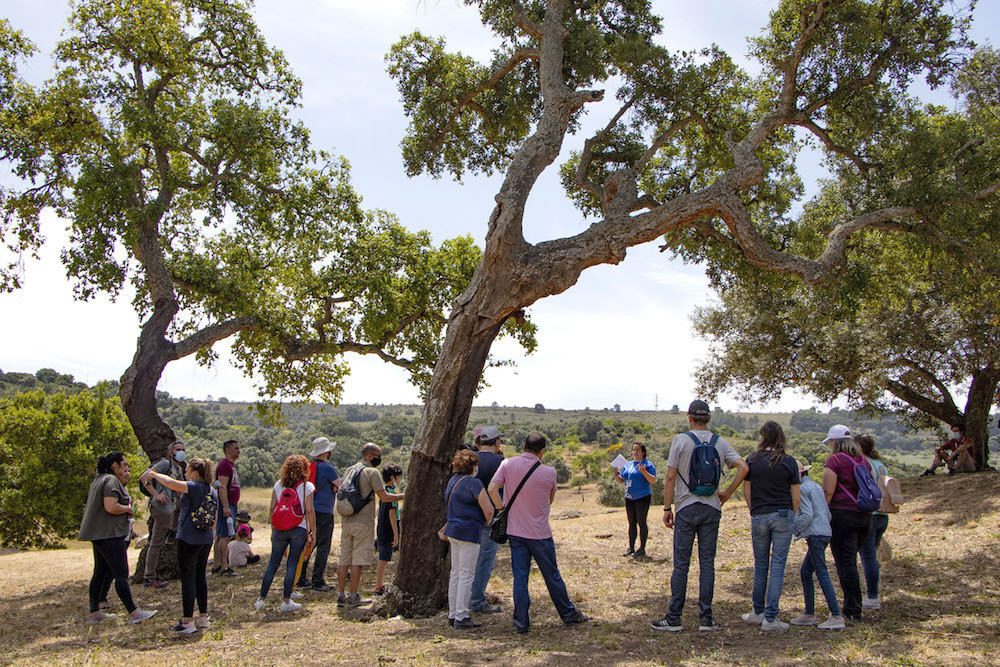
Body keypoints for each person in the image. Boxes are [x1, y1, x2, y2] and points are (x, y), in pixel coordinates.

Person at [651, 400, 748, 632]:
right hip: (712, 508)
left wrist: (667, 508)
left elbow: (670, 477)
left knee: (681, 565)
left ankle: (674, 618)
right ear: (709, 419)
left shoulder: (681, 441)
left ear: (689, 417)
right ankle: (706, 618)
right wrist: (726, 493)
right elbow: (743, 467)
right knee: (707, 564)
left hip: (686, 507)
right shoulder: (720, 442)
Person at [488, 432, 589, 635]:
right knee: (552, 576)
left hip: (516, 532)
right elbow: (549, 500)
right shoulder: (549, 472)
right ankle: (568, 615)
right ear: (542, 451)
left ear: (523, 446)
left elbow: (492, 488)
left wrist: (502, 509)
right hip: (540, 534)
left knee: (520, 578)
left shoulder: (507, 464)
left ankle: (521, 623)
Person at [78, 452, 157, 625]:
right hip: (109, 534)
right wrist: (128, 510)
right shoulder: (111, 481)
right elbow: (111, 507)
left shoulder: (98, 480)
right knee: (121, 573)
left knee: (100, 572)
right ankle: (134, 612)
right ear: (115, 465)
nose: (126, 467)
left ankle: (95, 612)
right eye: (124, 464)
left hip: (98, 534)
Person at [141, 457, 217, 633]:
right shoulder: (211, 490)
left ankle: (187, 621)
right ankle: (203, 617)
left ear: (195, 473)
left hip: (189, 538)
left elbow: (171, 483)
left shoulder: (194, 486)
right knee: (200, 577)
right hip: (205, 538)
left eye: (187, 470)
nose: (185, 473)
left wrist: (154, 474)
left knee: (188, 579)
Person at [740, 422, 800, 631]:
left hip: (759, 514)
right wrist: (792, 515)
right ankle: (771, 617)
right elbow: (796, 497)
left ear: (762, 436)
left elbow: (746, 490)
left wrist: (753, 509)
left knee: (761, 565)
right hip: (783, 514)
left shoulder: (752, 460)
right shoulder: (789, 462)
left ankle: (758, 611)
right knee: (778, 566)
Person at [336, 443, 405, 608]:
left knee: (344, 558)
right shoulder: (371, 472)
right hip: (363, 522)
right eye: (377, 456)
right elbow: (385, 497)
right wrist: (403, 495)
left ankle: (340, 595)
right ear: (370, 456)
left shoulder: (350, 470)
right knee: (358, 560)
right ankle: (353, 596)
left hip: (347, 520)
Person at [822, 424, 873, 623]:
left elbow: (828, 491)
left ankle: (852, 608)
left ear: (834, 442)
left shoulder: (834, 461)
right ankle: (854, 605)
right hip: (865, 516)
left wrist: (822, 514)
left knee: (845, 564)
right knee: (851, 561)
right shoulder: (862, 461)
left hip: (843, 516)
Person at [255, 454, 316, 612]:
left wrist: (272, 530)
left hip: (279, 529)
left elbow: (272, 508)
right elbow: (309, 510)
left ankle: (261, 599)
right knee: (292, 564)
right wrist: (313, 530)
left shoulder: (278, 485)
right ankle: (286, 600)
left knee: (273, 564)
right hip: (299, 528)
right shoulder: (307, 486)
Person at [444, 450, 495, 629]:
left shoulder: (452, 481)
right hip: (469, 531)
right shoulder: (474, 483)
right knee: (467, 574)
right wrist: (487, 522)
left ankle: (453, 613)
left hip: (453, 531)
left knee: (456, 573)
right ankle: (462, 616)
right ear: (472, 465)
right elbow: (488, 509)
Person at [791, 463, 845, 630]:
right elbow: (826, 513)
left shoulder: (803, 489)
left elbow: (807, 514)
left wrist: (793, 530)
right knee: (806, 572)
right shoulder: (815, 486)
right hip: (824, 532)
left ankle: (836, 615)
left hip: (815, 534)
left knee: (821, 573)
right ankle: (809, 613)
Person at [469, 424, 506, 614]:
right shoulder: (500, 461)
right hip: (489, 517)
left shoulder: (469, 459)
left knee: (466, 561)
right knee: (485, 560)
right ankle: (476, 601)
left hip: (467, 517)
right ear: (497, 441)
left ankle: (464, 597)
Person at [296, 437, 340, 591]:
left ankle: (300, 578)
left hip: (310, 511)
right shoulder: (328, 468)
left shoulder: (309, 467)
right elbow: (339, 485)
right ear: (326, 451)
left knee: (308, 543)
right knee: (323, 546)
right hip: (324, 511)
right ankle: (318, 580)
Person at [140, 440, 186, 588]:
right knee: (156, 543)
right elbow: (145, 477)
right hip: (161, 508)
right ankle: (149, 577)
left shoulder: (178, 469)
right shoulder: (165, 464)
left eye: (183, 449)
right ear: (171, 452)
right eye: (178, 449)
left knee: (159, 541)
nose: (181, 452)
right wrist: (156, 495)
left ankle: (173, 532)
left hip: (170, 508)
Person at [856, 434, 889, 610]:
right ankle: (873, 592)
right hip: (883, 515)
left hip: (870, 514)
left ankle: (872, 595)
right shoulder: (881, 465)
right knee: (872, 556)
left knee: (867, 557)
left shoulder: (864, 465)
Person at [612, 441, 657, 558]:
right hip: (629, 498)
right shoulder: (628, 465)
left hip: (643, 497)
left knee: (641, 522)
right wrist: (616, 475)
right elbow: (622, 481)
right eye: (633, 449)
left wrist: (643, 471)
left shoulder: (648, 465)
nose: (635, 452)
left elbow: (653, 480)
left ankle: (642, 548)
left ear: (643, 452)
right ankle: (631, 547)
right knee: (631, 523)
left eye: (638, 450)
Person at [213, 439, 241, 576]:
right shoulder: (224, 466)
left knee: (221, 535)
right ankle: (224, 566)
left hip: (231, 504)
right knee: (225, 536)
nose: (239, 450)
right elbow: (222, 487)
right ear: (228, 450)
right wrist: (225, 506)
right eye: (236, 448)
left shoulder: (230, 466)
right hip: (227, 504)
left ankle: (217, 565)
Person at [374, 463, 403, 595]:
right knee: (384, 559)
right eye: (398, 478)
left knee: (384, 558)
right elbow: (392, 514)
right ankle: (379, 586)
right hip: (387, 529)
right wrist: (396, 534)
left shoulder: (386, 492)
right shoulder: (390, 494)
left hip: (382, 529)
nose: (399, 481)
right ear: (392, 478)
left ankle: (379, 585)